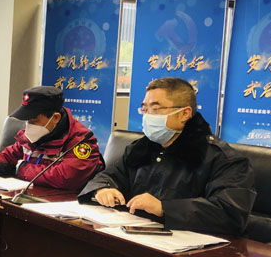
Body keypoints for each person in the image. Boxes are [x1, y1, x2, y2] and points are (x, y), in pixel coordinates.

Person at [78, 77, 256, 235]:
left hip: (191, 250)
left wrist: (164, 208)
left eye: (155, 109)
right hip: (134, 236)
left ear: (185, 113)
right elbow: (108, 175)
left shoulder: (223, 159)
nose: (147, 116)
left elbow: (230, 214)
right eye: (144, 109)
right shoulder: (141, 149)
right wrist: (103, 189)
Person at [0, 86, 103, 191]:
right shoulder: (34, 134)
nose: (28, 126)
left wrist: (23, 168)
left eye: (34, 121)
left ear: (55, 118)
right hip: (28, 195)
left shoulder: (82, 141)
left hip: (62, 205)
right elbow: (10, 156)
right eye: (27, 121)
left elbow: (66, 178)